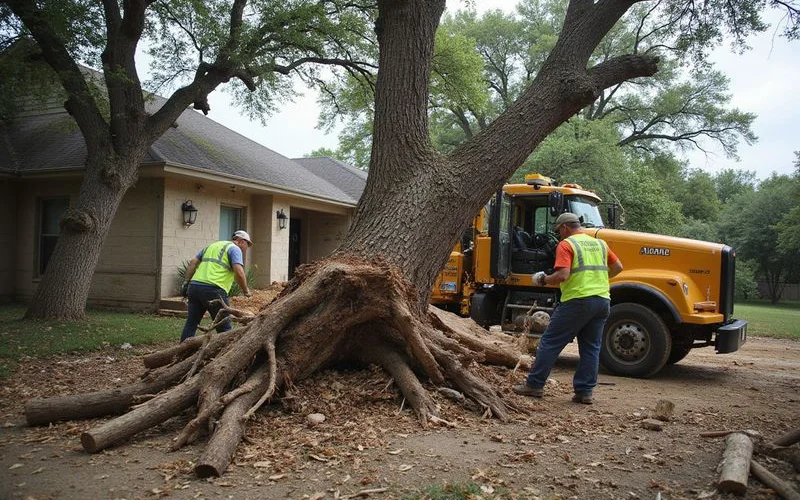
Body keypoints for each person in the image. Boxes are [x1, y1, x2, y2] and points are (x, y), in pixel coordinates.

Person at [513, 212, 623, 404]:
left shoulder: (567, 244)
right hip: (602, 301)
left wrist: (543, 280)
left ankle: (534, 385)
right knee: (591, 347)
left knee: (550, 342)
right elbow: (618, 267)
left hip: (578, 300)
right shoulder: (600, 243)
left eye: (559, 231)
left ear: (564, 228)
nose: (559, 235)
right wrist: (599, 281)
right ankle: (584, 392)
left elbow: (562, 275)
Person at [179, 230, 253, 342]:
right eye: (247, 245)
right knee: (224, 326)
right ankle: (226, 355)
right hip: (214, 289)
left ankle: (181, 352)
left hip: (194, 287)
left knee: (191, 323)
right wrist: (246, 291)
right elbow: (239, 272)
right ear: (241, 241)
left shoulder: (212, 246)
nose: (245, 249)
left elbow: (192, 263)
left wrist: (186, 283)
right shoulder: (235, 249)